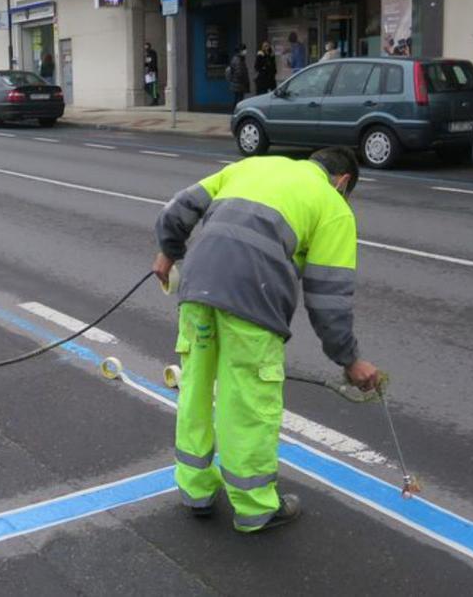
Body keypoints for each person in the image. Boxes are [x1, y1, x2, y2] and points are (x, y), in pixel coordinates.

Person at [152, 147, 380, 533]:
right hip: (252, 302)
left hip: (197, 291)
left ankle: (196, 492)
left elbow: (177, 209)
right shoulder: (332, 205)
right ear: (342, 182)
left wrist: (168, 255)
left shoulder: (252, 165)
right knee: (248, 403)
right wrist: (350, 360)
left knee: (195, 391)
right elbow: (328, 298)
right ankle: (255, 507)